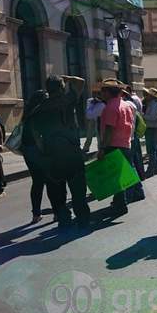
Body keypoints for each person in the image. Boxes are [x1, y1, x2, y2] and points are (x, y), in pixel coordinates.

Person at [28, 75, 91, 227]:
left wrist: (44, 150)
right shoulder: (68, 100)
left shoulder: (38, 109)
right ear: (62, 87)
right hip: (72, 152)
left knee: (57, 192)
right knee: (78, 190)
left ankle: (64, 220)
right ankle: (82, 219)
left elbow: (36, 135)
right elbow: (81, 82)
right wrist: (67, 78)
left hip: (52, 154)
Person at [97, 79, 137, 217]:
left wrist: (102, 148)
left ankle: (121, 204)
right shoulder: (126, 105)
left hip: (113, 144)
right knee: (121, 176)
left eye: (102, 91)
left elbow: (109, 129)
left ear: (108, 92)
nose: (101, 93)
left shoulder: (110, 107)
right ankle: (121, 201)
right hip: (126, 143)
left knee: (115, 178)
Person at [20, 90, 49, 223]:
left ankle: (36, 214)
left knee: (37, 182)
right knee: (50, 180)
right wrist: (44, 150)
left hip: (27, 150)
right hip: (37, 150)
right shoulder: (40, 112)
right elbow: (37, 135)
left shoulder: (27, 113)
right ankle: (57, 211)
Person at [142, 87, 157, 176]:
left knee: (152, 150)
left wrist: (143, 116)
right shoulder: (152, 104)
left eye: (147, 95)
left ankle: (151, 169)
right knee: (153, 149)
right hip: (151, 128)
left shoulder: (156, 105)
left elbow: (152, 118)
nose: (146, 96)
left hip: (153, 128)